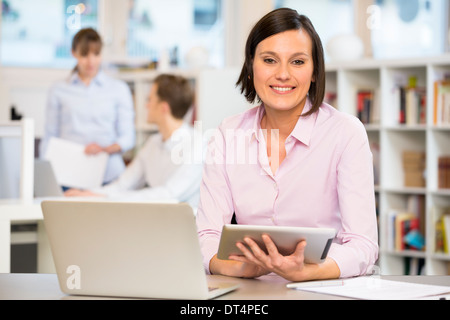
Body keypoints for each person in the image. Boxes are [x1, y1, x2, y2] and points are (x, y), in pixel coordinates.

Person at [196, 8, 379, 281]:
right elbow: (207, 235)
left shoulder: (345, 133)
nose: (283, 74)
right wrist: (238, 267)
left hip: (325, 288)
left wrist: (309, 271)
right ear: (250, 67)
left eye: (297, 62)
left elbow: (363, 244)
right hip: (250, 290)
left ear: (315, 71)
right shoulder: (227, 134)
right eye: (270, 60)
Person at [65, 74, 204, 208]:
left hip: (184, 225)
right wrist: (87, 194)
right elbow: (123, 185)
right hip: (158, 219)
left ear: (164, 108)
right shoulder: (153, 143)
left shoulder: (197, 146)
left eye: (150, 100)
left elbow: (170, 195)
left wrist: (105, 198)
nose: (146, 105)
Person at [40, 28, 135, 185]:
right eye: (84, 55)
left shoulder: (118, 89)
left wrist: (104, 149)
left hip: (109, 175)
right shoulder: (58, 90)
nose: (91, 62)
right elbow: (50, 136)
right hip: (68, 173)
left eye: (96, 54)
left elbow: (128, 138)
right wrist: (45, 176)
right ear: (73, 53)